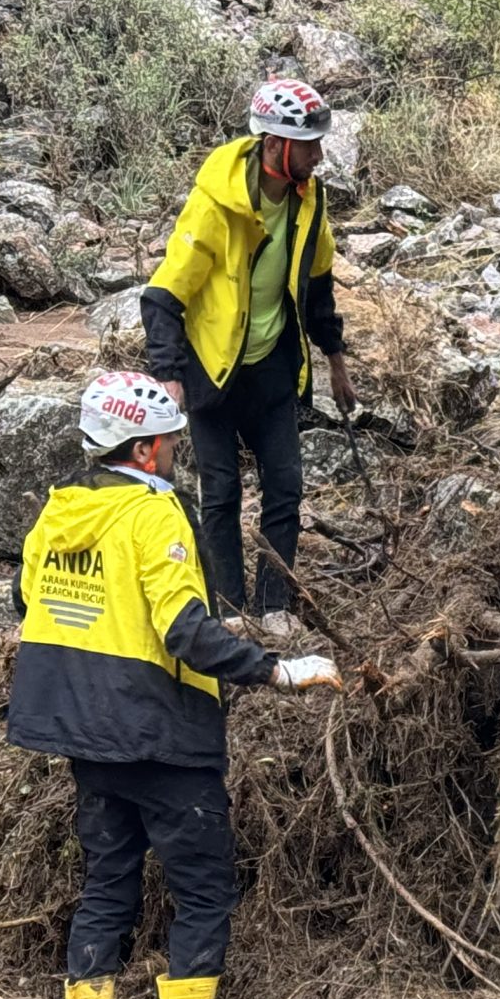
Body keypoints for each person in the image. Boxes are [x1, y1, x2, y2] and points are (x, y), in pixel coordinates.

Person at [9, 371, 342, 999]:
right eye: (169, 443)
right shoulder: (155, 516)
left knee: (108, 882)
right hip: (161, 737)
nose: (175, 453)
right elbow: (186, 632)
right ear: (149, 448)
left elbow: (28, 601)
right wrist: (278, 669)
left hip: (85, 737)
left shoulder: (57, 514)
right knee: (204, 888)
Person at [141, 77, 358, 638]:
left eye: (317, 144)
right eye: (307, 145)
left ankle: (274, 603)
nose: (317, 155)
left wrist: (335, 360)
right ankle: (231, 610)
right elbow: (163, 296)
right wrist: (168, 377)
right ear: (273, 146)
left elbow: (318, 283)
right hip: (211, 372)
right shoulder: (214, 205)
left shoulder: (311, 200)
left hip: (272, 368)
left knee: (285, 487)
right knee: (222, 494)